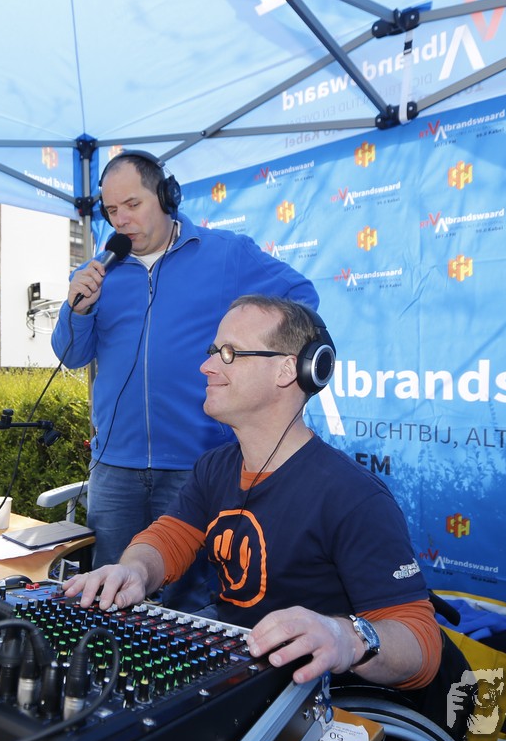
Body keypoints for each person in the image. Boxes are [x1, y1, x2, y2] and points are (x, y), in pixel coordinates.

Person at [62, 295, 442, 693]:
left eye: (229, 353)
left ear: (287, 370)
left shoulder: (354, 497)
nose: (207, 366)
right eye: (212, 351)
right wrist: (135, 571)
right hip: (238, 676)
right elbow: (169, 538)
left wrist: (346, 637)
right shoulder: (214, 467)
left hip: (315, 696)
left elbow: (423, 645)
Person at [51, 151, 319, 615]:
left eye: (132, 204)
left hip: (199, 466)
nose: (121, 220)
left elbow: (302, 297)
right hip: (114, 467)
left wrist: (246, 351)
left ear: (166, 196)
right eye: (111, 210)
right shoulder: (99, 271)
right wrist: (78, 307)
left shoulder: (226, 254)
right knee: (110, 594)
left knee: (191, 605)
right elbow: (71, 354)